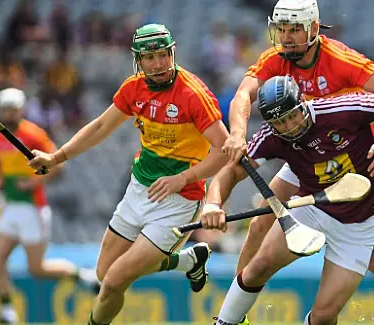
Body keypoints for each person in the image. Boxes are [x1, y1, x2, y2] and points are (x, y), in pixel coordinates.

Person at [220, 1, 374, 324]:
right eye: (282, 29)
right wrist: (237, 134)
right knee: (260, 223)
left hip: (351, 162)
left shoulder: (339, 59)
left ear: (312, 28)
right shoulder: (275, 60)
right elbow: (242, 95)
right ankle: (238, 314)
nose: (287, 37)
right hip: (303, 157)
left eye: (294, 29)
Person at [201, 76, 374, 325]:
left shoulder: (344, 110)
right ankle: (227, 321)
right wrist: (213, 204)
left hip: (359, 225)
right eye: (280, 122)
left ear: (303, 103)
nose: (289, 126)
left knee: (323, 317)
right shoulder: (273, 136)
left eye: (292, 116)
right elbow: (232, 172)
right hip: (312, 208)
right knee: (258, 267)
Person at [27, 24, 230, 325]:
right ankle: (188, 260)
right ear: (138, 60)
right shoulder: (134, 88)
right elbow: (100, 127)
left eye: (163, 55)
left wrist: (183, 179)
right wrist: (56, 157)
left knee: (113, 282)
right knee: (103, 272)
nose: (158, 64)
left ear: (172, 53)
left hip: (179, 201)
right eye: (149, 58)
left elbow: (224, 149)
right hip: (139, 191)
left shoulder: (193, 94)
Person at [0, 88, 98, 324]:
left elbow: (58, 166)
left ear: (21, 110)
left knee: (37, 269)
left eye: (13, 109)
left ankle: (81, 275)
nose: (8, 113)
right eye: (4, 109)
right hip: (10, 208)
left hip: (32, 208)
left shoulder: (33, 135)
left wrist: (33, 182)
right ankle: (7, 311)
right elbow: (0, 173)